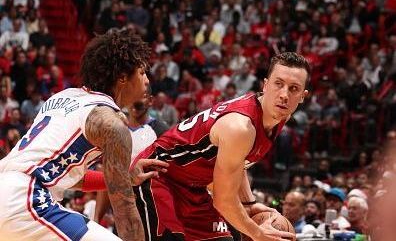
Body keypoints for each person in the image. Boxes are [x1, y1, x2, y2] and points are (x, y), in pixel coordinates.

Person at [0, 29, 165, 241]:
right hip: (25, 200)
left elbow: (64, 174)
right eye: (142, 73)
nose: (147, 81)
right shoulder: (112, 123)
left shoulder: (61, 97)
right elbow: (125, 213)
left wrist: (123, 178)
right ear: (122, 78)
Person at [134, 52, 310, 240]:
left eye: (293, 89)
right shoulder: (240, 127)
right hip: (158, 177)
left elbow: (238, 162)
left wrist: (249, 204)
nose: (284, 95)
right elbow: (223, 200)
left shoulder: (277, 115)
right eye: (278, 84)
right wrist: (258, 233)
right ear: (265, 85)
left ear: (302, 96)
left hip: (195, 189)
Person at [94, 89, 169, 225]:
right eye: (131, 96)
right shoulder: (115, 133)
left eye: (140, 97)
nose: (135, 102)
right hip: (123, 209)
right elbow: (108, 177)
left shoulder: (161, 130)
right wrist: (97, 218)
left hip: (155, 209)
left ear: (151, 101)